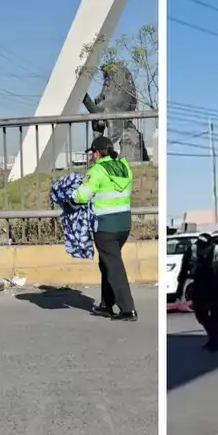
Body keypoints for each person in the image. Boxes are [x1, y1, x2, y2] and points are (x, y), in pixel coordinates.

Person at [72, 135, 137, 321]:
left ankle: (128, 309)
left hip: (105, 226)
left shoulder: (97, 170)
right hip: (124, 224)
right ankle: (106, 305)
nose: (91, 156)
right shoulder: (124, 167)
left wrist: (72, 195)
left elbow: (82, 196)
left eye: (92, 152)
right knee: (107, 263)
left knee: (114, 266)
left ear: (98, 152)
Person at [176, 234, 218, 353]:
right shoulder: (191, 250)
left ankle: (214, 341)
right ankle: (212, 335)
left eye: (204, 246)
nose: (202, 249)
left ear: (210, 245)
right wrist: (179, 289)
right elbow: (183, 271)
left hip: (215, 285)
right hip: (199, 285)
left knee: (216, 315)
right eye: (200, 246)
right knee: (200, 314)